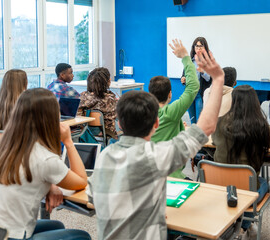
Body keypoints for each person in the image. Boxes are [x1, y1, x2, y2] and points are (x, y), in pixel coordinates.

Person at [88, 39, 225, 240]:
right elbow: (206, 127)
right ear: (155, 124)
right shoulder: (156, 156)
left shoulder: (105, 154)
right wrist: (218, 78)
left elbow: (93, 198)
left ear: (119, 124)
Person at [0, 88, 91, 240]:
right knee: (82, 236)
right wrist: (68, 142)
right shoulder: (45, 158)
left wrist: (51, 184)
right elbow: (81, 181)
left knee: (57, 226)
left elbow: (29, 174)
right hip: (8, 236)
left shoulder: (7, 147)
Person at [213, 84, 270, 238]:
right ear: (255, 102)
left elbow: (214, 141)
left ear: (233, 101)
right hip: (247, 189)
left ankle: (236, 224)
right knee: (265, 183)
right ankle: (242, 226)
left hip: (217, 185)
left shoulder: (219, 122)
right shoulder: (260, 126)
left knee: (251, 180)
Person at [149, 39, 199, 179]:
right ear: (170, 94)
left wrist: (178, 127)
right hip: (170, 176)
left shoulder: (143, 112)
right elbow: (193, 87)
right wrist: (185, 58)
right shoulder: (171, 112)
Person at [78, 67, 118, 139]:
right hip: (107, 132)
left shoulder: (83, 96)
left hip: (86, 131)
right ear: (108, 81)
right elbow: (116, 115)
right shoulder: (109, 99)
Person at [181, 37, 212, 124]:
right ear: (193, 48)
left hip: (200, 93)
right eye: (196, 46)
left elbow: (210, 79)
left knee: (200, 120)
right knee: (192, 119)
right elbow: (184, 75)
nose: (198, 49)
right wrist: (183, 79)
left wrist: (203, 72)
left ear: (205, 48)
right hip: (189, 93)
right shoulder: (190, 61)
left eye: (200, 46)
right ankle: (192, 136)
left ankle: (199, 136)